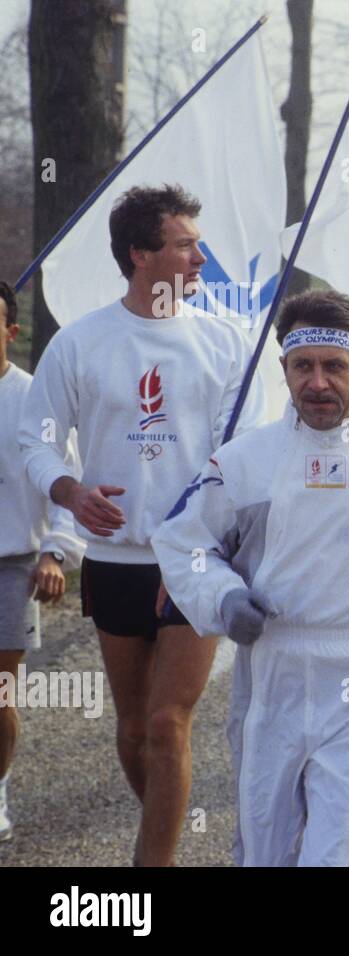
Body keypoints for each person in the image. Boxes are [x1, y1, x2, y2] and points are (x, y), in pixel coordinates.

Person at [151, 290, 349, 866]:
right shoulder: (245, 460)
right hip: (269, 672)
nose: (318, 383)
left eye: (335, 366)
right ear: (285, 370)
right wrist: (223, 597)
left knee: (337, 850)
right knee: (262, 852)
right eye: (303, 366)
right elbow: (183, 540)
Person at [18, 184, 263, 866]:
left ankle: (149, 876)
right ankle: (167, 830)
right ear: (141, 254)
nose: (200, 258)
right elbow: (34, 440)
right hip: (115, 561)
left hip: (194, 563)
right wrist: (67, 488)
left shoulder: (226, 344)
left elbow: (242, 456)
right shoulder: (81, 344)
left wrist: (201, 531)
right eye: (185, 245)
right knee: (133, 732)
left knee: (166, 721)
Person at [0, 282, 86, 843]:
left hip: (11, 563)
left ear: (10, 330)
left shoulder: (34, 402)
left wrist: (56, 551)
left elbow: (69, 486)